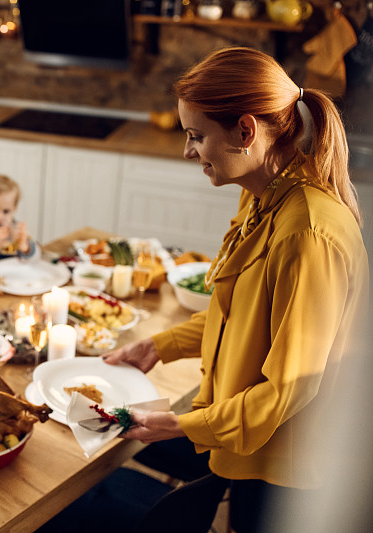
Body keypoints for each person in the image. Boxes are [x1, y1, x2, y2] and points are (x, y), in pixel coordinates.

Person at [96, 47, 367, 532]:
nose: (188, 152)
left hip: (286, 469)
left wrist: (183, 425)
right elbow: (236, 313)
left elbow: (289, 387)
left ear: (245, 131)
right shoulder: (263, 193)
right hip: (247, 438)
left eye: (197, 136)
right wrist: (157, 345)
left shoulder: (307, 232)